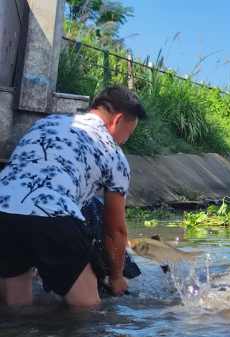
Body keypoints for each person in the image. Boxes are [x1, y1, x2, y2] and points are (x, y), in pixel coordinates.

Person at [0, 85, 147, 308]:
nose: (124, 141)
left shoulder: (45, 123)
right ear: (117, 120)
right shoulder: (114, 154)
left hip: (4, 209)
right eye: (128, 134)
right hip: (54, 214)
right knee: (86, 306)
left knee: (16, 309)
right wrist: (116, 278)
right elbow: (114, 230)